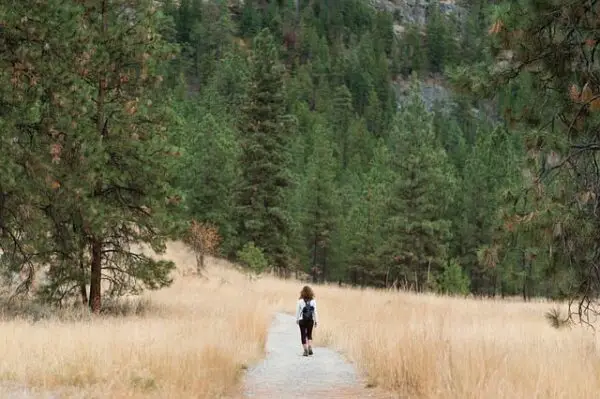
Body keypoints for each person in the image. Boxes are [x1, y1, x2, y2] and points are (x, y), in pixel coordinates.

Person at [296, 285, 318, 356]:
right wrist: (316, 320)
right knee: (309, 334)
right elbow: (315, 312)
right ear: (310, 292)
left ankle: (305, 350)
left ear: (302, 292)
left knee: (303, 334)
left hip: (302, 320)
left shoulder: (300, 301)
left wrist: (297, 319)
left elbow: (297, 311)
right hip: (310, 320)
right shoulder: (313, 301)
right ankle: (310, 347)